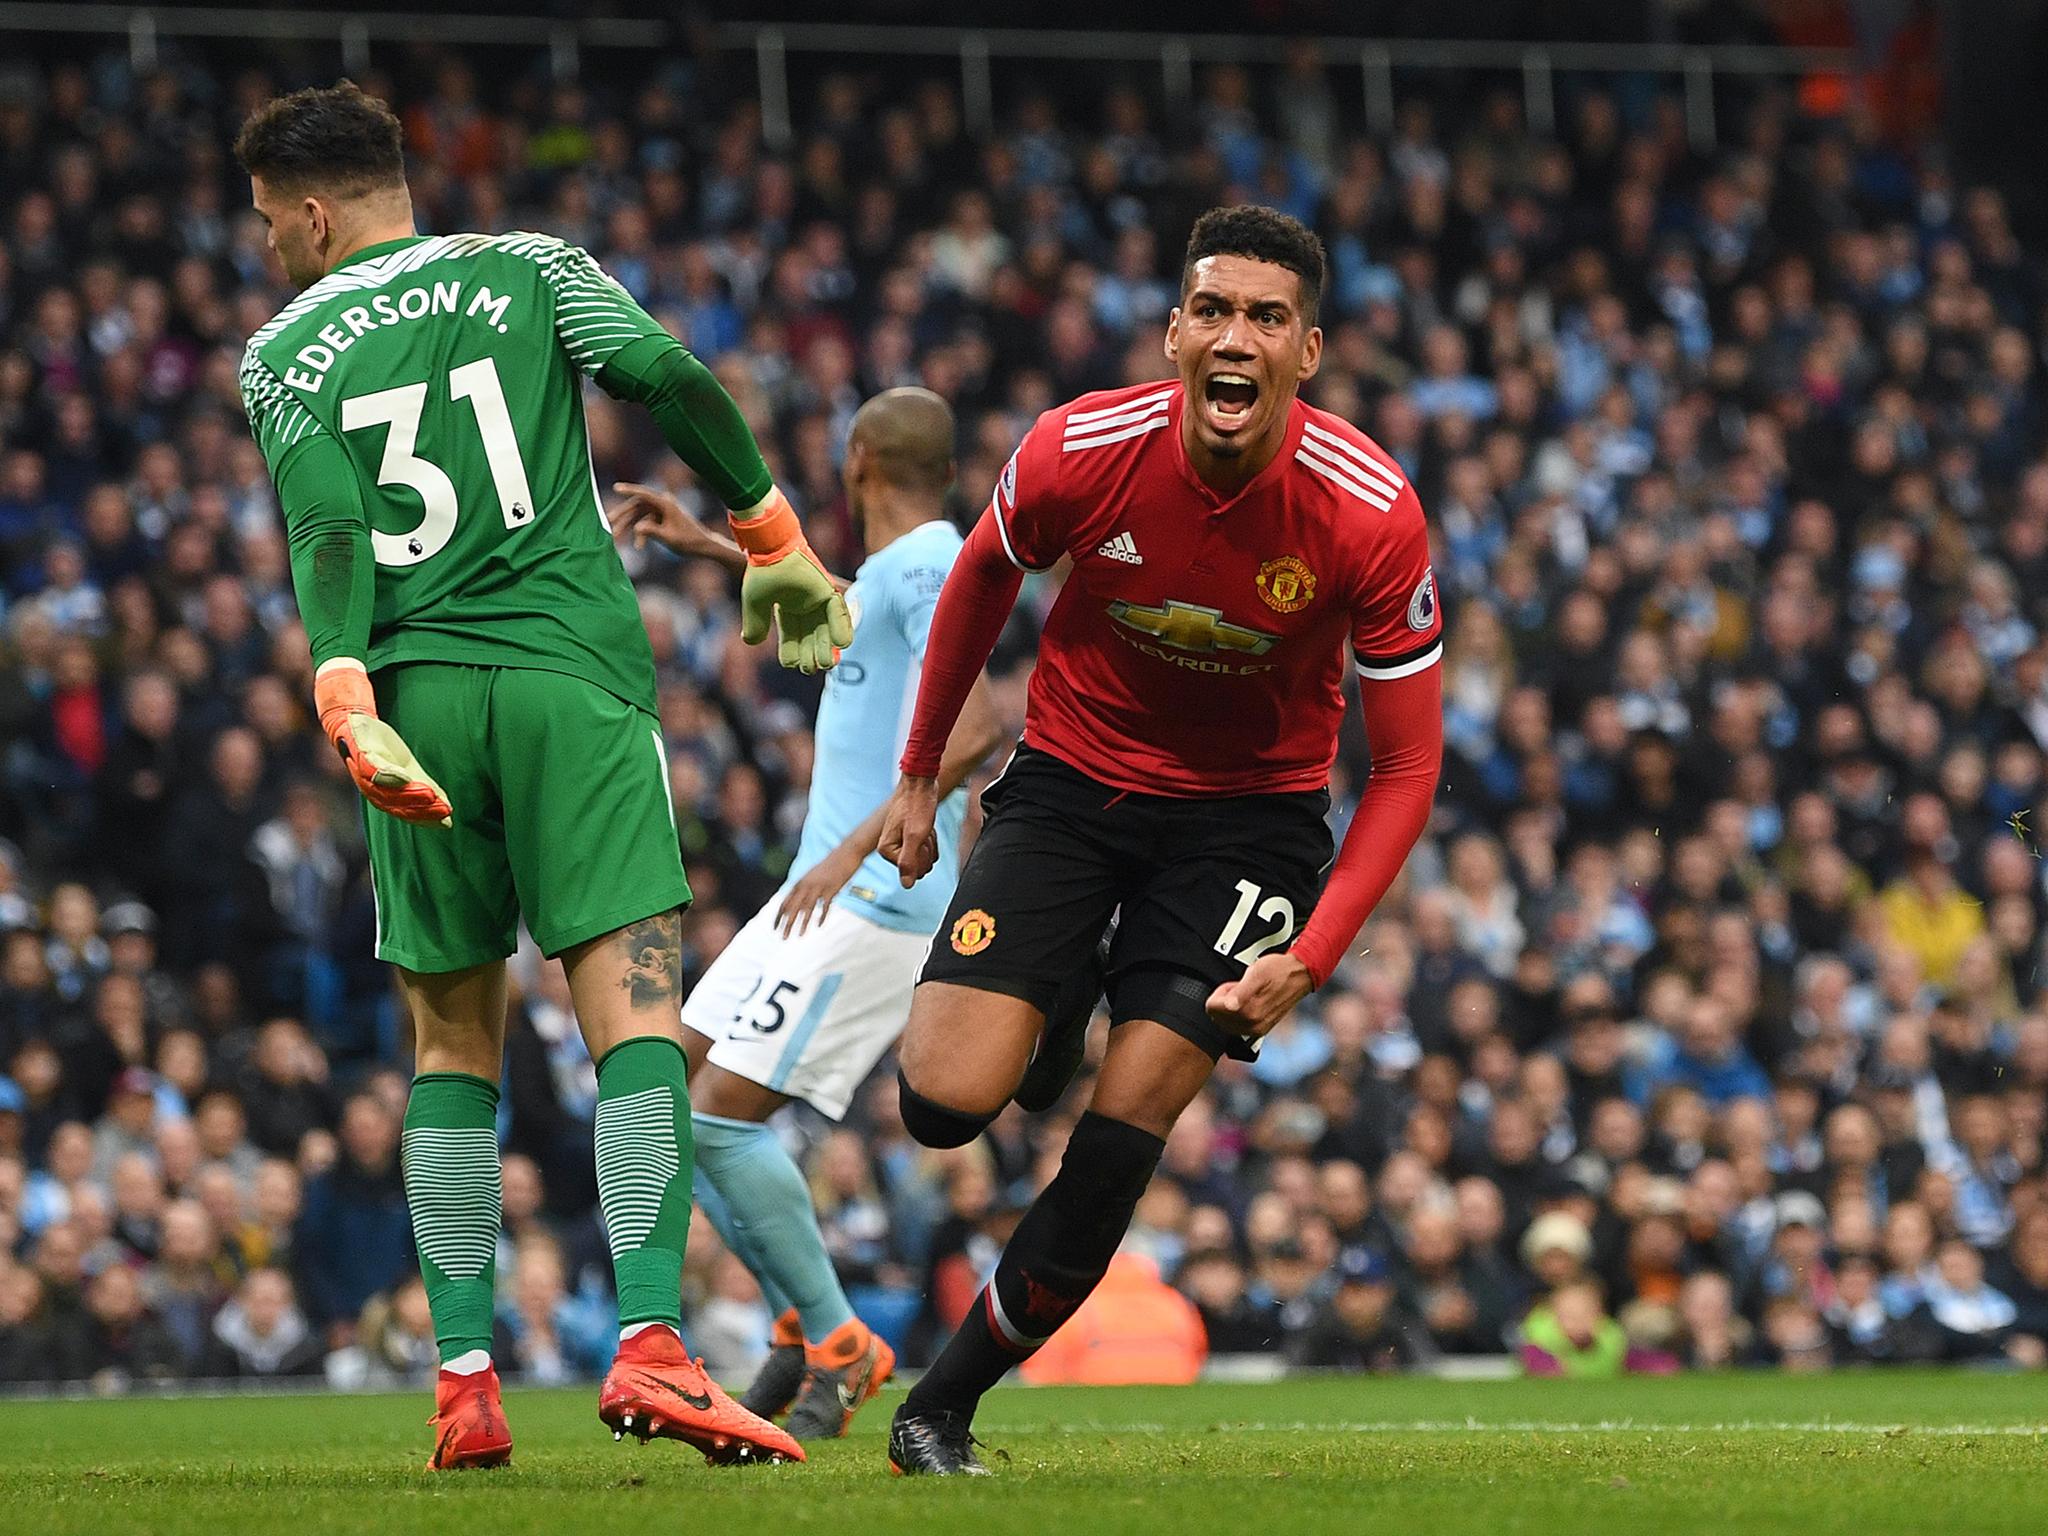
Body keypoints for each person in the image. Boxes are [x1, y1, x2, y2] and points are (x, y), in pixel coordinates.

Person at [231, 82, 838, 1468]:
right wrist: (771, 530)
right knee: (631, 1014)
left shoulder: (280, 351)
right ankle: (651, 1348)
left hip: (414, 704)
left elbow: (327, 520)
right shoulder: (530, 266)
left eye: (271, 224)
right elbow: (672, 379)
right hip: (572, 681)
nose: (270, 249)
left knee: (452, 1043)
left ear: (316, 215)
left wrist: (343, 681)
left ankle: (462, 1387)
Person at [873, 206, 1443, 1473]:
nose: (1235, 337)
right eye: (1215, 310)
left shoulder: (1368, 512)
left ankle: (941, 1406)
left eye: (1267, 317)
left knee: (1127, 1120)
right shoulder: (1078, 446)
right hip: (1071, 782)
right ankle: (1055, 1000)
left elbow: (1406, 765)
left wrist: (1320, 954)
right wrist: (918, 775)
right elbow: (978, 582)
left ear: (1306, 352)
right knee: (939, 1107)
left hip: (1248, 826)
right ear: (1175, 331)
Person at [610, 388, 1007, 1440]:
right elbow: (842, 604)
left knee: (703, 1118)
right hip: (824, 889)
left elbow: (977, 724)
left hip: (875, 894)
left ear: (857, 459)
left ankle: (835, 1338)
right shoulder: (905, 567)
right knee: (663, 1086)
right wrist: (706, 544)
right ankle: (800, 1324)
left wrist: (844, 849)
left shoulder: (929, 563)